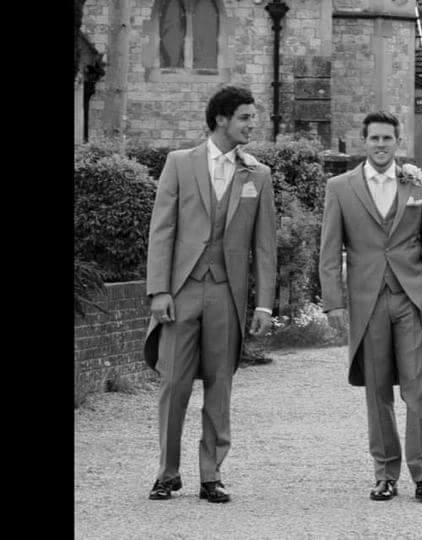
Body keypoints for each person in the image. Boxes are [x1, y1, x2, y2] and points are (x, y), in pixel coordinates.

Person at [143, 85, 277, 503]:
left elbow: (265, 246)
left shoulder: (258, 174)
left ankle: (211, 475)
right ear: (221, 119)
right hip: (181, 291)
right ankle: (167, 473)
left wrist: (264, 303)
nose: (252, 124)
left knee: (220, 386)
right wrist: (159, 290)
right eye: (245, 117)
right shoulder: (179, 163)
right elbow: (162, 230)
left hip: (226, 292)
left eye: (253, 117)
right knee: (174, 384)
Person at [319, 111, 422, 502]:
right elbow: (329, 251)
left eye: (387, 138)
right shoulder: (340, 187)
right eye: (374, 138)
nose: (380, 144)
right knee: (377, 391)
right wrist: (333, 303)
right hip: (367, 301)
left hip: (411, 298)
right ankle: (385, 473)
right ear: (364, 141)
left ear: (397, 141)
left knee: (418, 389)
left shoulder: (417, 184)